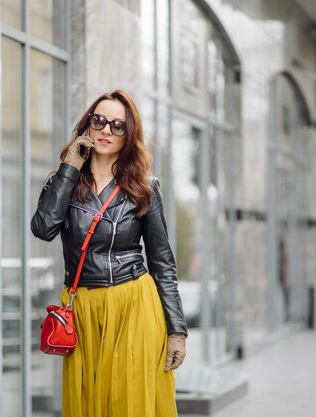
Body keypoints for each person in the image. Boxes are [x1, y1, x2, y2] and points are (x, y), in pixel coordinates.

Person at [31, 89, 187, 416]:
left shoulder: (144, 186)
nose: (106, 131)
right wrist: (70, 167)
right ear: (87, 124)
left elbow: (162, 263)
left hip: (133, 307)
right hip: (84, 310)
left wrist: (176, 331)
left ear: (129, 135)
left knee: (128, 405)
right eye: (99, 121)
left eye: (118, 126)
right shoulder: (63, 182)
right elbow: (43, 229)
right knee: (88, 405)